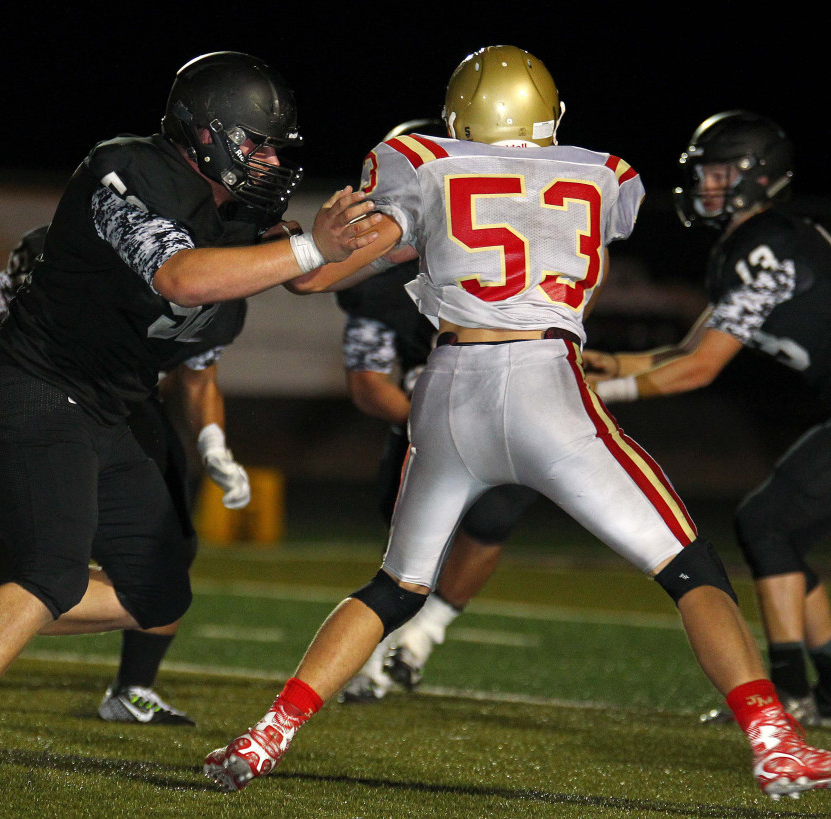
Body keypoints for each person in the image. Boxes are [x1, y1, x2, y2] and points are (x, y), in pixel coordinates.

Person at [202, 46, 831, 801]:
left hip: (448, 390)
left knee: (394, 588)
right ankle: (774, 739)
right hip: (543, 381)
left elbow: (313, 277)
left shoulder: (419, 160)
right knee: (690, 567)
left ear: (460, 113)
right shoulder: (607, 176)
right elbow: (553, 232)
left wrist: (301, 244)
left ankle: (268, 732)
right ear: (546, 116)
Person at [0, 49, 383, 787]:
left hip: (108, 403)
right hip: (35, 383)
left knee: (157, 593)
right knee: (50, 574)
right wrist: (311, 246)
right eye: (257, 142)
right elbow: (180, 273)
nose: (271, 159)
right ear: (204, 135)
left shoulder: (236, 204)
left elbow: (306, 271)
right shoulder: (127, 170)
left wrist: (401, 236)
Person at [0, 224, 252, 725]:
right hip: (40, 398)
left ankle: (132, 686)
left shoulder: (202, 279)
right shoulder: (84, 254)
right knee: (5, 565)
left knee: (164, 555)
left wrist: (214, 445)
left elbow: (199, 368)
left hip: (123, 405)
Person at [585, 110, 831, 728]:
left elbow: (701, 369)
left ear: (759, 177)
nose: (707, 185)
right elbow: (690, 348)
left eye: (720, 173)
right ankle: (818, 689)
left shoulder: (766, 245)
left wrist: (604, 394)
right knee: (780, 531)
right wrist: (606, 362)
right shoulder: (757, 241)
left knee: (766, 520)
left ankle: (789, 691)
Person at [333, 148, 538, 700]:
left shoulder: (499, 249)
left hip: (504, 413)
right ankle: (375, 658)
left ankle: (421, 638)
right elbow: (368, 381)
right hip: (423, 428)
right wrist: (434, 424)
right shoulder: (376, 283)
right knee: (408, 550)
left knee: (494, 518)